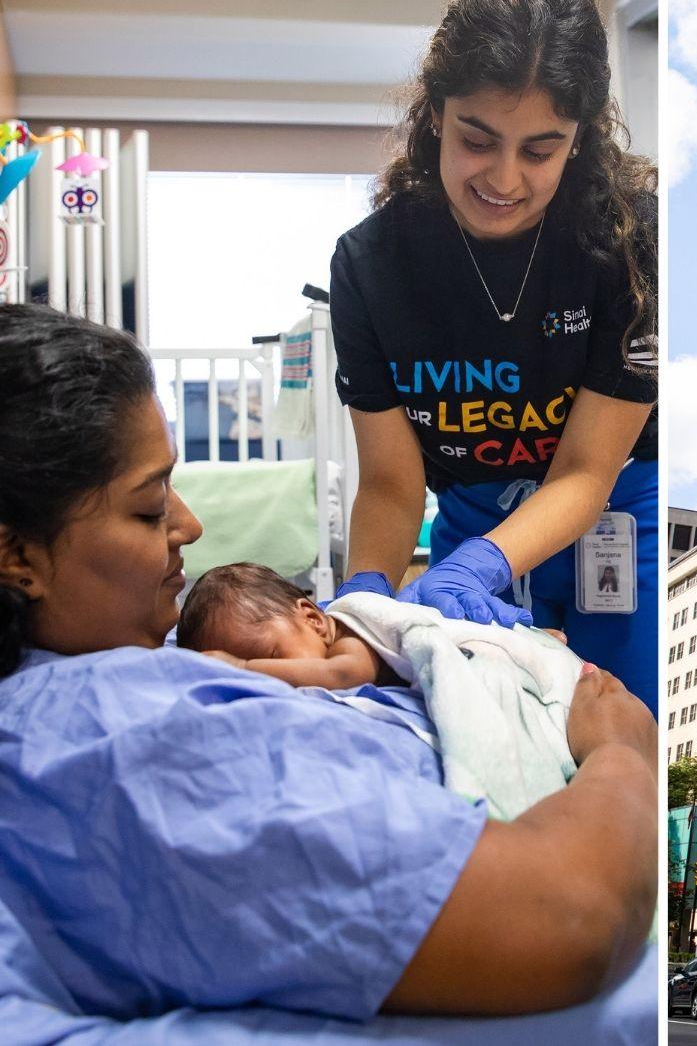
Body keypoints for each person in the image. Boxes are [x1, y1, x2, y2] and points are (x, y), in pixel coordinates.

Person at [0, 303, 658, 1018]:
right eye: (150, 506)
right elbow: (573, 918)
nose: (190, 524)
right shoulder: (130, 737)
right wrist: (622, 754)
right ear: (17, 556)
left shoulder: (103, 677)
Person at [330, 0, 660, 712]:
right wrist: (364, 605)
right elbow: (388, 481)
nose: (504, 179)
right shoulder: (371, 265)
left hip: (615, 508)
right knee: (475, 716)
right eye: (478, 139)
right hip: (474, 516)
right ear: (438, 111)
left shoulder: (631, 244)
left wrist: (483, 562)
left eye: (539, 149)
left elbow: (584, 468)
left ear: (578, 139)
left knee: (623, 721)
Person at [178, 561, 400, 688]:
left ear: (312, 619)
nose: (277, 676)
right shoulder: (317, 638)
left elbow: (346, 675)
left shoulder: (351, 635)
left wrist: (243, 668)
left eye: (273, 659)